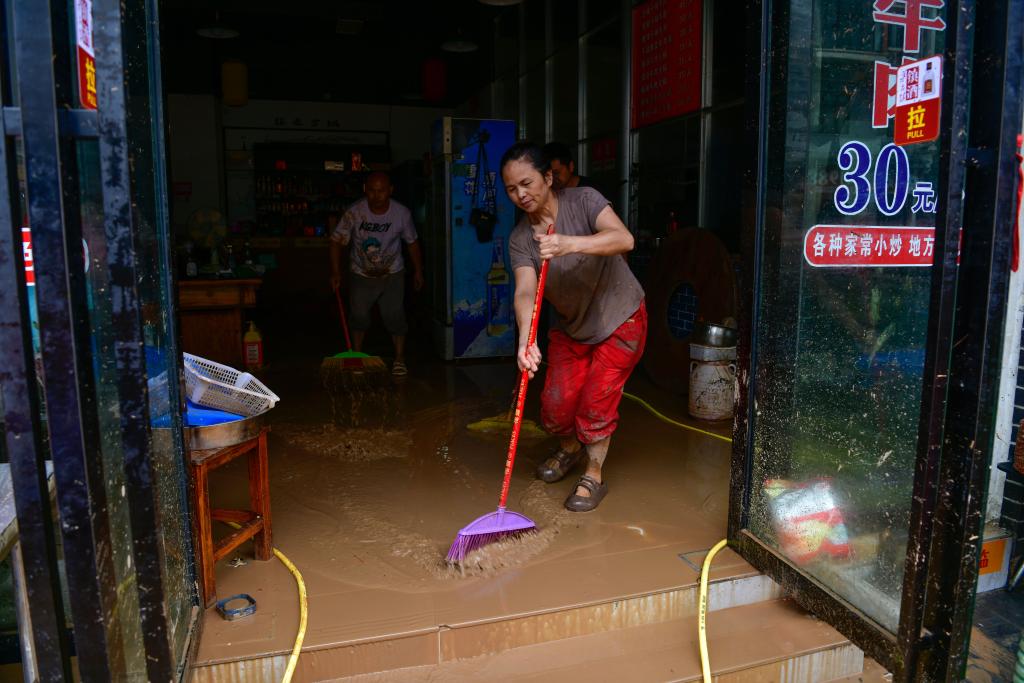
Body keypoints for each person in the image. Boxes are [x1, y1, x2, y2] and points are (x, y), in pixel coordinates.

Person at [503, 141, 646, 512]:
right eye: (511, 189)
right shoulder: (521, 238)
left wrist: (568, 244)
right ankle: (569, 449)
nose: (521, 194)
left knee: (596, 405)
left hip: (620, 319)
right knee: (555, 407)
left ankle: (593, 474)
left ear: (548, 178)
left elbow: (623, 239)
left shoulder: (584, 201)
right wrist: (525, 339)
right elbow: (525, 292)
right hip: (572, 327)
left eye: (527, 183)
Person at [329, 171, 424, 375]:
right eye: (371, 190)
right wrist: (336, 272)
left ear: (390, 190)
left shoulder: (401, 213)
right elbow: (336, 241)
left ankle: (399, 359)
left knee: (394, 315)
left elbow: (412, 243)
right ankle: (357, 357)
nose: (376, 195)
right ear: (365, 189)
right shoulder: (354, 212)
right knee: (359, 316)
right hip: (361, 274)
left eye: (381, 191)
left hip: (393, 273)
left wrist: (418, 271)